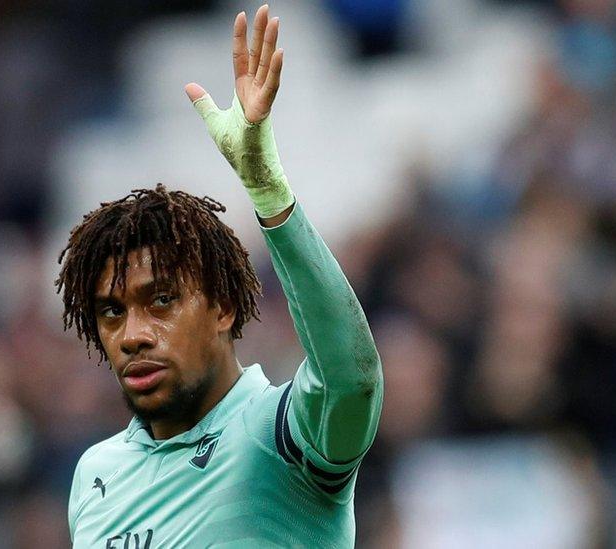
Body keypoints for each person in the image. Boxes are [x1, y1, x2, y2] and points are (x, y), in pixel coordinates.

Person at [59, 5, 383, 547]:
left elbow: (352, 380)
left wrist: (269, 194)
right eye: (111, 311)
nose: (133, 334)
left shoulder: (278, 434)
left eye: (160, 301)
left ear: (223, 308)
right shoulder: (95, 476)